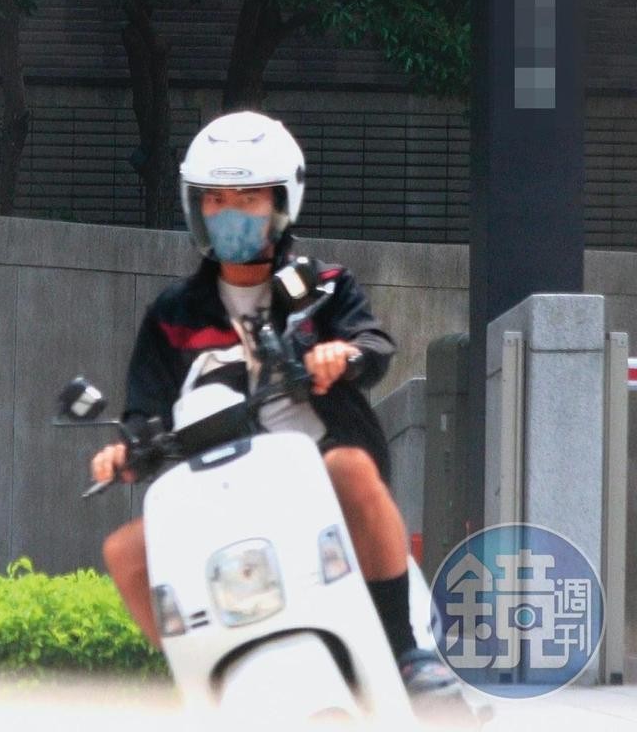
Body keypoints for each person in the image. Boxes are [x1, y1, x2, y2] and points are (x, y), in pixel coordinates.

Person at [90, 111, 456, 697]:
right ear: (195, 208)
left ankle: (403, 650)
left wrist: (343, 355)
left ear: (283, 203)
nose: (229, 210)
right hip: (220, 489)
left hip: (312, 474)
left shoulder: (324, 285)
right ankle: (201, 679)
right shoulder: (172, 314)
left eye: (248, 196)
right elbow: (144, 410)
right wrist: (125, 452)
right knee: (126, 553)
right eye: (214, 198)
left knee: (351, 469)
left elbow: (375, 345)